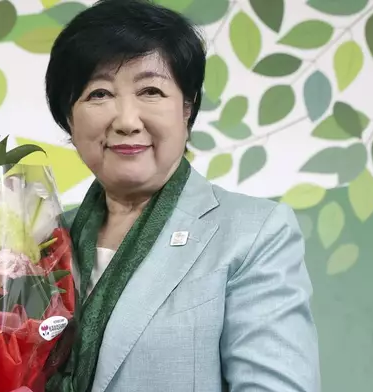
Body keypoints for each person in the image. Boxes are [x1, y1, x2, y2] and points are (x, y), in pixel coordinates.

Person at [44, 1, 320, 391]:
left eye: (151, 90)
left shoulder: (254, 234)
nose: (126, 120)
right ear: (69, 119)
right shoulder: (41, 243)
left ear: (186, 109)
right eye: (99, 94)